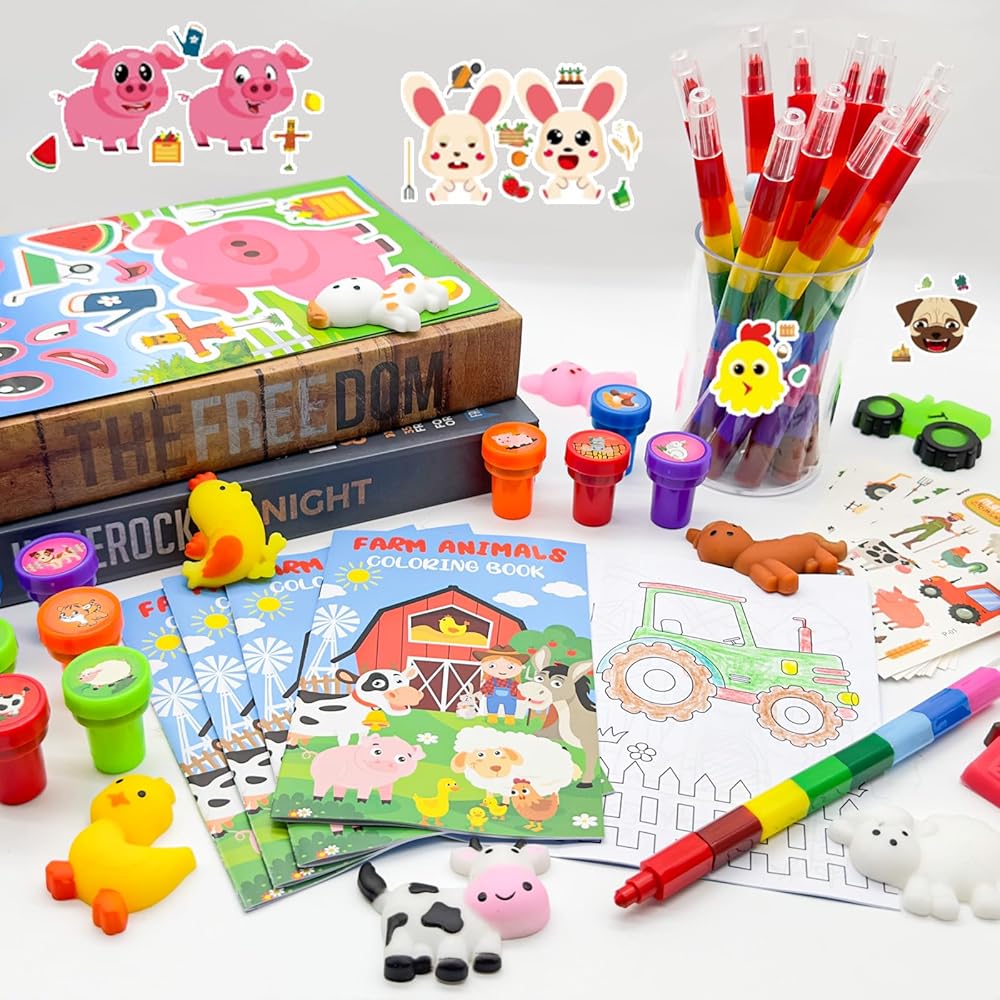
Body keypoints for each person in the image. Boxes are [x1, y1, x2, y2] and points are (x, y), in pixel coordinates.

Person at [474, 644, 529, 725]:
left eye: (510, 667)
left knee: (510, 709)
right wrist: (480, 693)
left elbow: (519, 690)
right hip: (493, 698)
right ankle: (492, 719)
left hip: (509, 700)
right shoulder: (491, 681)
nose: (502, 670)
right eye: (492, 666)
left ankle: (509, 720)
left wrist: (523, 694)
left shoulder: (514, 683)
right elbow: (486, 687)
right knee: (492, 708)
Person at [890, 512, 964, 550]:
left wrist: (955, 533)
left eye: (957, 518)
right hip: (926, 525)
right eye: (955, 516)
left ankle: (908, 543)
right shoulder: (940, 518)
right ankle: (896, 534)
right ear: (951, 515)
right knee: (912, 529)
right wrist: (924, 521)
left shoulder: (949, 524)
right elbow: (924, 516)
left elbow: (947, 529)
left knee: (922, 537)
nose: (955, 518)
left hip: (932, 531)